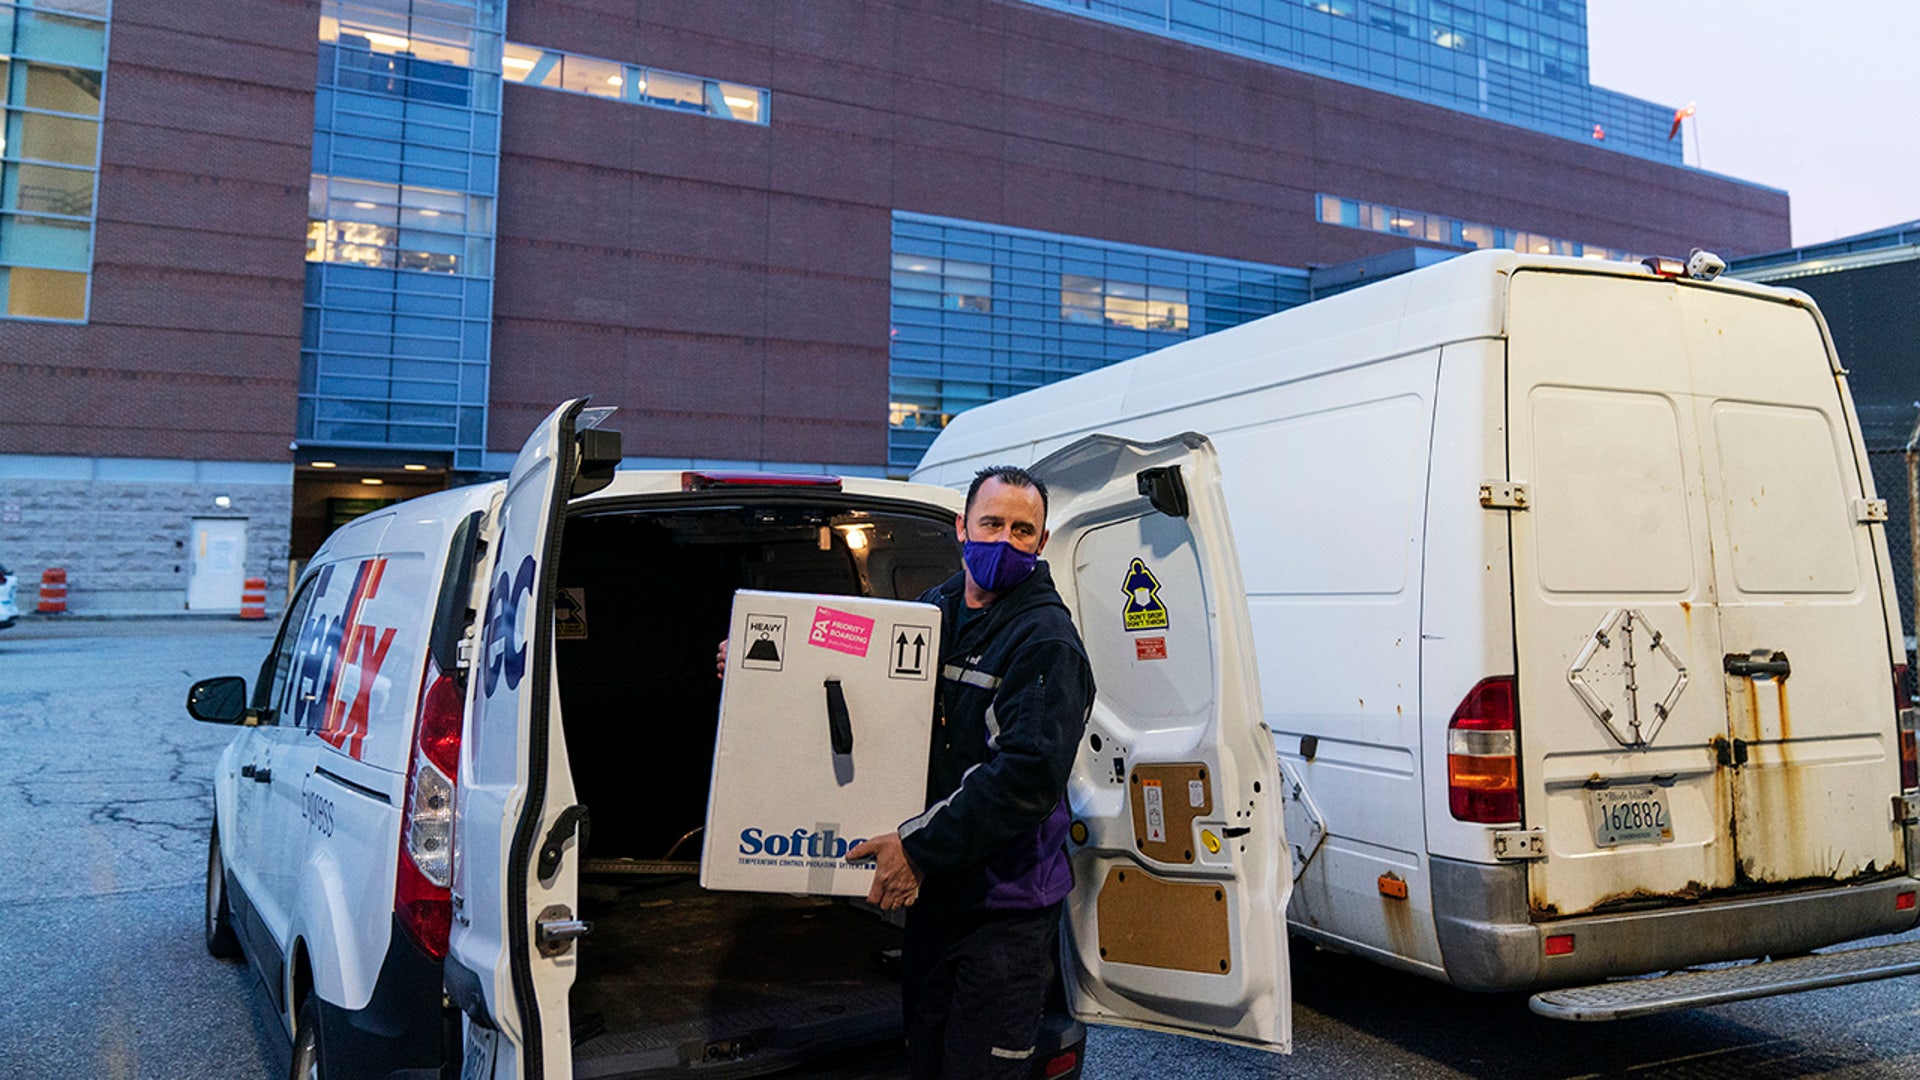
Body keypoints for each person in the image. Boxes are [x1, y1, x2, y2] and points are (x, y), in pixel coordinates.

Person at [847, 465, 1096, 1080]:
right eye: (992, 523)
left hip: (1004, 912)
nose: (1004, 541)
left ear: (1040, 542)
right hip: (940, 898)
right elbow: (865, 677)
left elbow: (1024, 780)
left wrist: (917, 849)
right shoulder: (936, 611)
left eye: (1022, 530)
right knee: (926, 1060)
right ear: (962, 527)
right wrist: (759, 666)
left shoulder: (1045, 641)